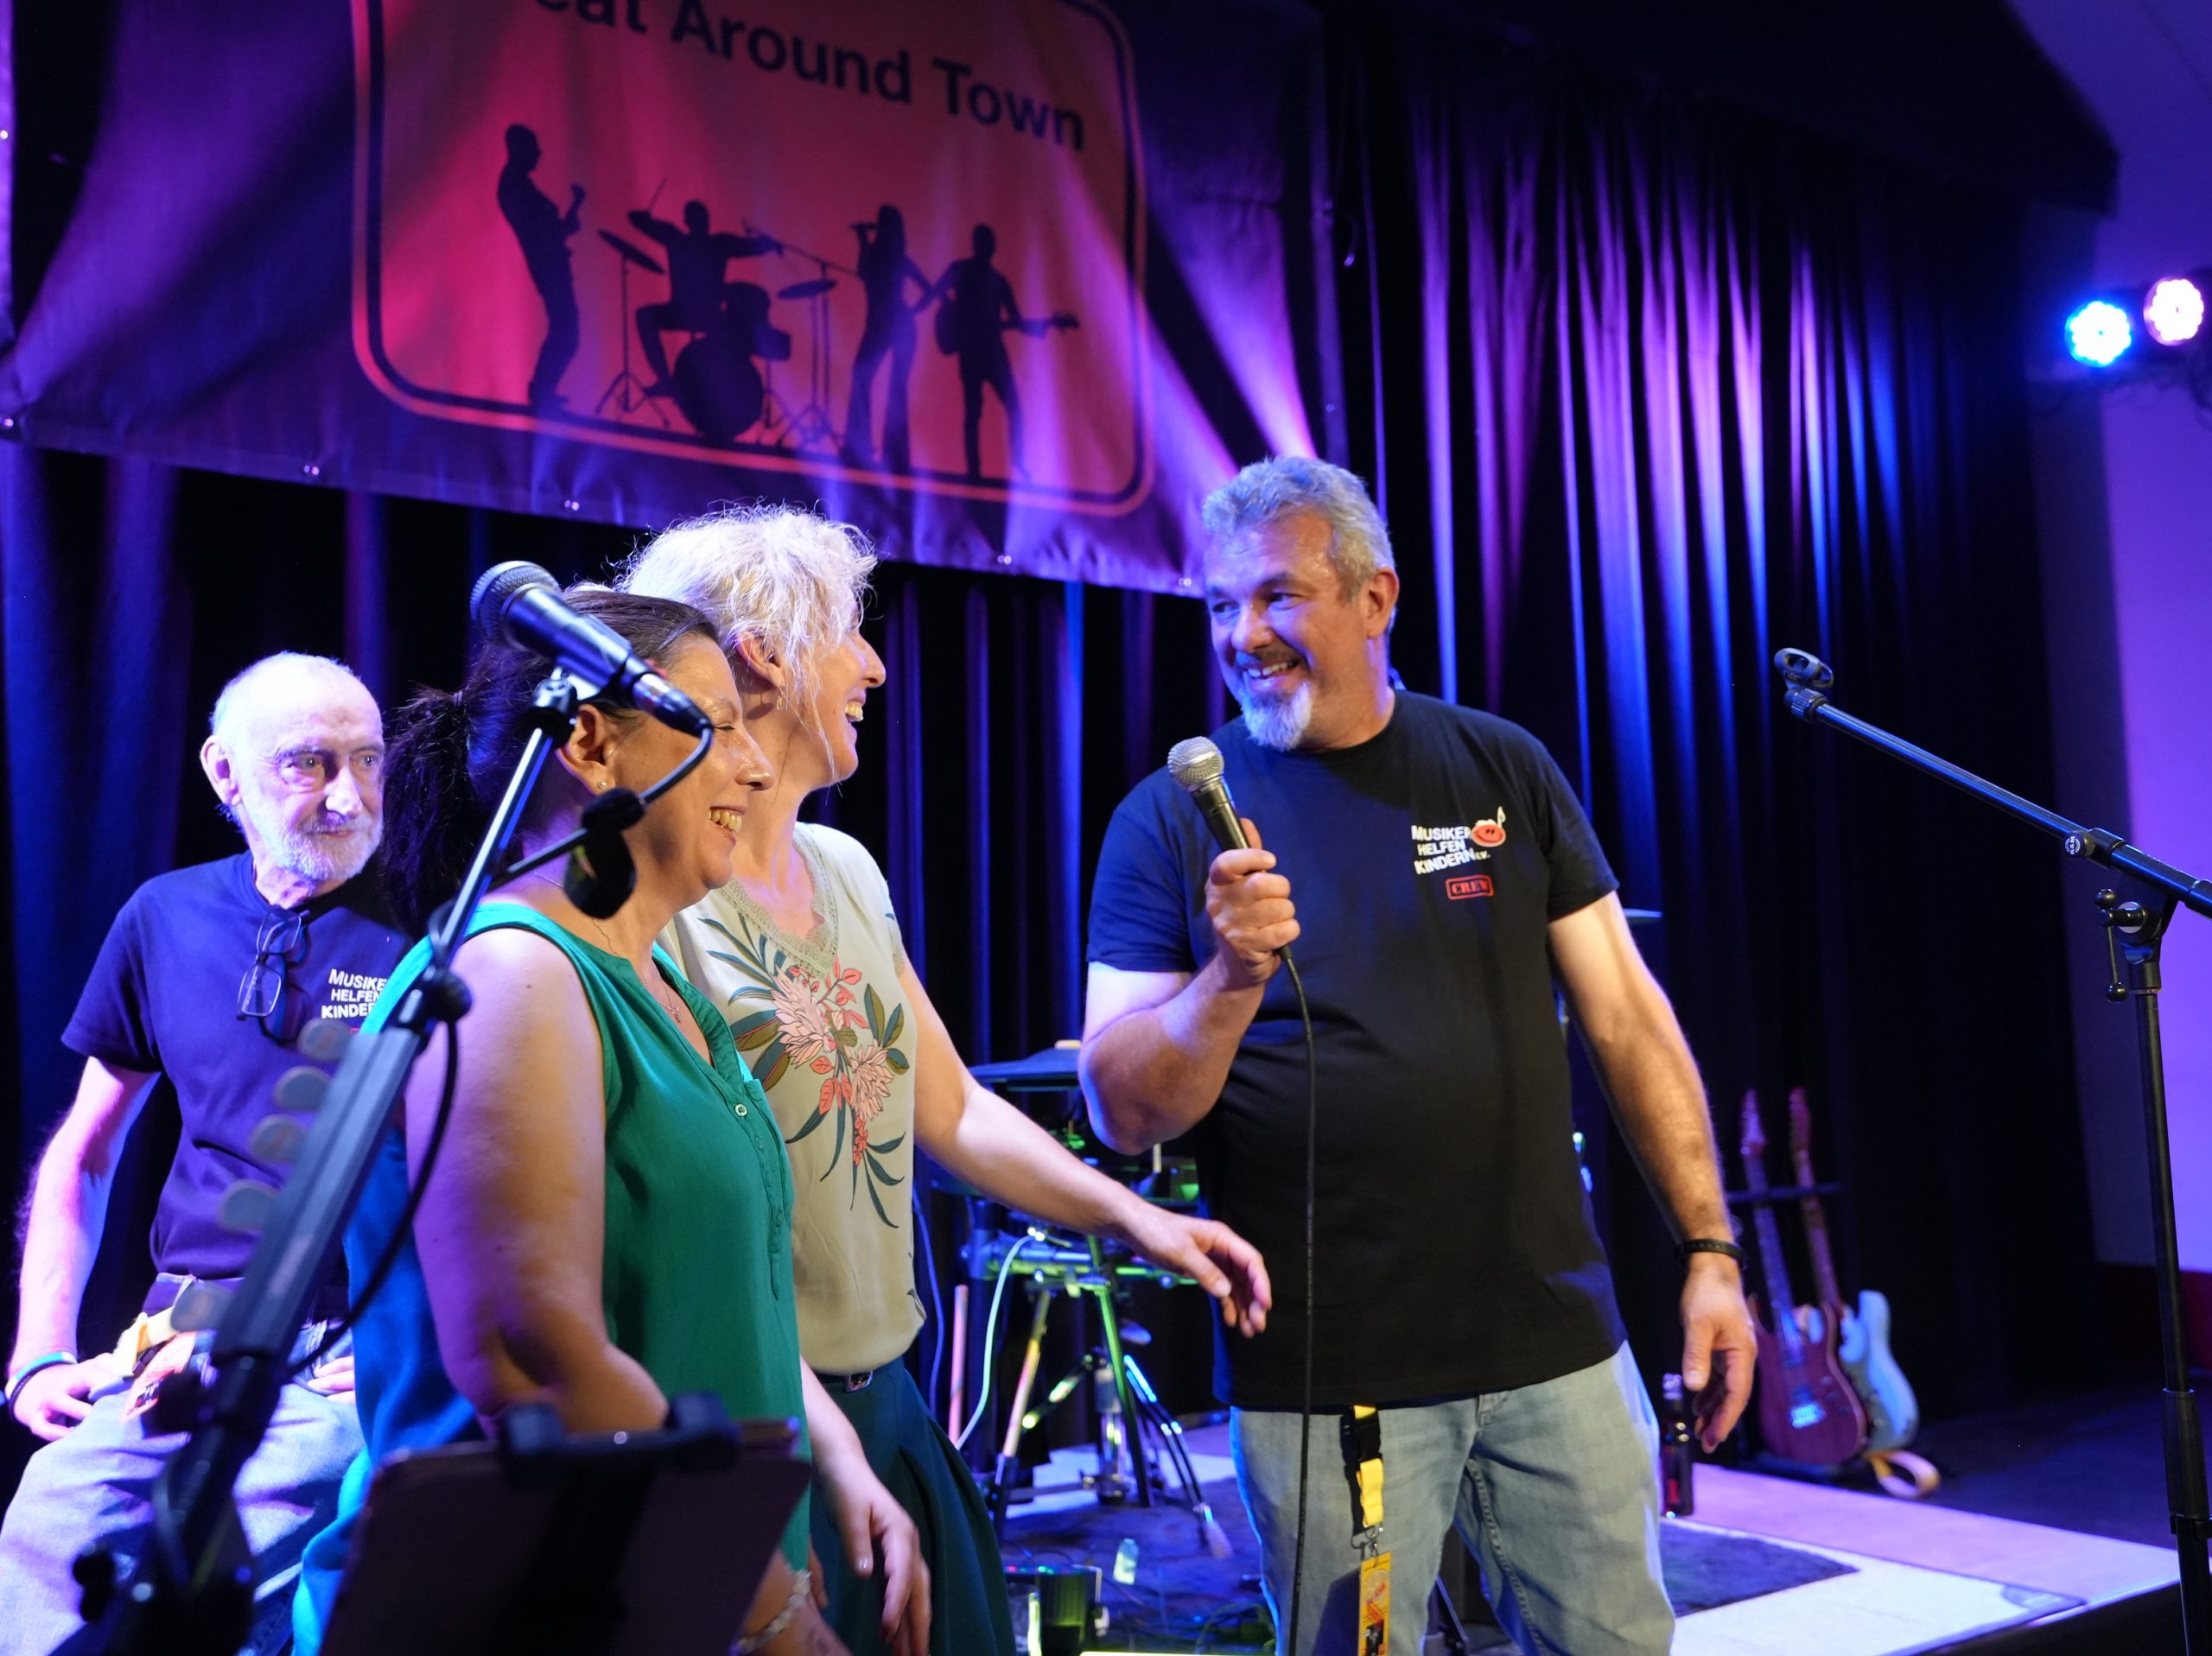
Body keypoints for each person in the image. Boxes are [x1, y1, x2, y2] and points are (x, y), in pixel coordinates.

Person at [1078, 457, 1758, 1656]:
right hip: (1329, 1377)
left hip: (1554, 1347)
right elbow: (1123, 1109)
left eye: (1278, 596)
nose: (1242, 634)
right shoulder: (1170, 816)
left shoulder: (1501, 766)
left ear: (1375, 596)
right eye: (1222, 605)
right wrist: (1230, 976)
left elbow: (1627, 1020)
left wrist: (1709, 1251)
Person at [620, 506, 1272, 1656]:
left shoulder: (844, 867)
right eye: (850, 633)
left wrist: (1139, 1221)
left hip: (890, 1406)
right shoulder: (665, 906)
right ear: (763, 659)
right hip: (760, 1419)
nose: (874, 667)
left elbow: (951, 1107)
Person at [290, 591, 927, 1656]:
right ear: (589, 744)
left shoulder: (661, 982)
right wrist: (765, 1602)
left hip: (669, 1582)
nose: (755, 767)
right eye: (717, 727)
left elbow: (710, 1301)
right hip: (531, 1608)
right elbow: (535, 1361)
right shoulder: (515, 973)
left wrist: (796, 1496)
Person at [0, 653, 402, 1656]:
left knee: (243, 1559)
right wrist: (39, 1349)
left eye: (368, 760)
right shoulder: (165, 915)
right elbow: (87, 1151)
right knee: (51, 1529)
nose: (349, 795)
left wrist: (405, 1334)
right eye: (309, 764)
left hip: (338, 1345)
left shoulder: (435, 919)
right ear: (225, 773)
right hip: (180, 1337)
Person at [922, 225, 1067, 481]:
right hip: (971, 352)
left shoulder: (998, 282)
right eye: (982, 242)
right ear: (976, 245)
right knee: (973, 410)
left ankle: (1016, 461)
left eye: (988, 243)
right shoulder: (960, 270)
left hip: (993, 352)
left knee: (1011, 407)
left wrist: (1050, 323)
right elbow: (934, 292)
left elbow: (1017, 322)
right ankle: (974, 471)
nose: (985, 248)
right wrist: (934, 312)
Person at [629, 200, 781, 398]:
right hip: (704, 315)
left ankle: (670, 381)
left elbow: (636, 220)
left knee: (646, 316)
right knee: (645, 316)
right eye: (700, 218)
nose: (702, 222)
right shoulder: (714, 243)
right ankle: (669, 382)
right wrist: (768, 244)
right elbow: (752, 247)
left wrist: (643, 218)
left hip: (689, 313)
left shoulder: (678, 239)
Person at [495, 124, 585, 409]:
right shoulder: (515, 186)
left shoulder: (518, 184)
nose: (539, 154)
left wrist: (575, 207)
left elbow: (552, 229)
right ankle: (541, 391)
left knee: (565, 329)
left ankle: (543, 390)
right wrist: (569, 216)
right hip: (549, 268)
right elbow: (545, 230)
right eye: (534, 148)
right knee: (566, 329)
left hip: (551, 265)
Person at [841, 206, 931, 473]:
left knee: (870, 379)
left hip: (889, 325)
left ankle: (870, 449)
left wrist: (863, 242)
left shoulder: (886, 256)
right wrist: (913, 310)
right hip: (890, 324)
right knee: (872, 380)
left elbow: (863, 272)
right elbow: (863, 272)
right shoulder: (892, 256)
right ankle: (876, 450)